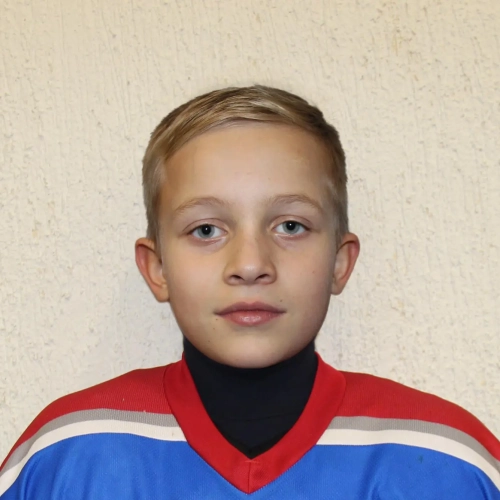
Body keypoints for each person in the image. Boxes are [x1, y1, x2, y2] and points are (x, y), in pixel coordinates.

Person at [0, 85, 499, 499]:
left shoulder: (449, 462)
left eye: (290, 225)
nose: (251, 264)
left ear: (340, 262)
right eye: (206, 230)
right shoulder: (64, 457)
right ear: (157, 268)